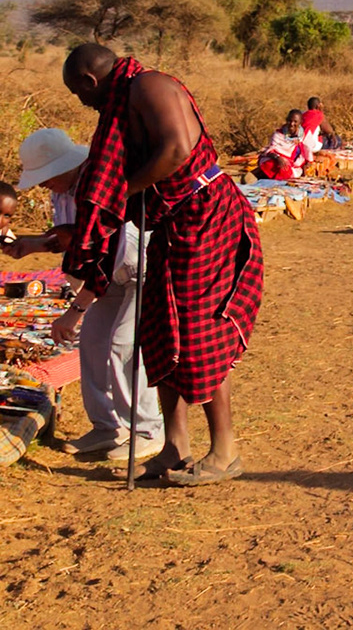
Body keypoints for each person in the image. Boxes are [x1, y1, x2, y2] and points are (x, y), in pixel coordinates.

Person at [58, 43, 264, 486]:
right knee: (159, 329)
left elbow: (176, 150)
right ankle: (174, 448)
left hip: (206, 218)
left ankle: (225, 452)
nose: (83, 103)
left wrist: (119, 192)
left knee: (197, 332)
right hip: (172, 223)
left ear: (90, 81)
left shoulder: (148, 87)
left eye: (79, 94)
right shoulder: (125, 99)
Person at [3, 127, 163, 463]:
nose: (42, 185)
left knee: (123, 345)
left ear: (64, 168)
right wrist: (34, 245)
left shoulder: (98, 188)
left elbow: (104, 253)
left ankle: (148, 430)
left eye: (45, 177)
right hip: (109, 276)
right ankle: (107, 427)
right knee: (91, 342)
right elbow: (72, 237)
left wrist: (76, 309)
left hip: (139, 270)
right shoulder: (62, 192)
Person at [255, 110, 311, 181]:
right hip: (274, 160)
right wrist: (278, 158)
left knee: (285, 170)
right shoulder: (278, 134)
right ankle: (257, 173)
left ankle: (262, 175)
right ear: (286, 120)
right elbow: (271, 150)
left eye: (295, 122)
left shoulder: (303, 136)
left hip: (292, 165)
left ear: (300, 122)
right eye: (290, 121)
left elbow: (307, 152)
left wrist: (307, 163)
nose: (292, 124)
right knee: (271, 164)